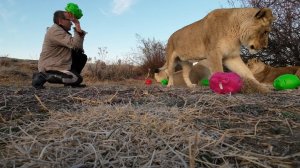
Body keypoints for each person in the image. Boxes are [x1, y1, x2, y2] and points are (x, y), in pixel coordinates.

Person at [32, 10, 87, 89]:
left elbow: (78, 47)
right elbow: (75, 44)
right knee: (76, 79)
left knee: (80, 56)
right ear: (60, 21)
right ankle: (43, 76)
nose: (71, 23)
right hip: (50, 67)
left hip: (58, 65)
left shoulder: (61, 31)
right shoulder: (55, 31)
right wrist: (77, 24)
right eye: (69, 20)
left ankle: (70, 82)